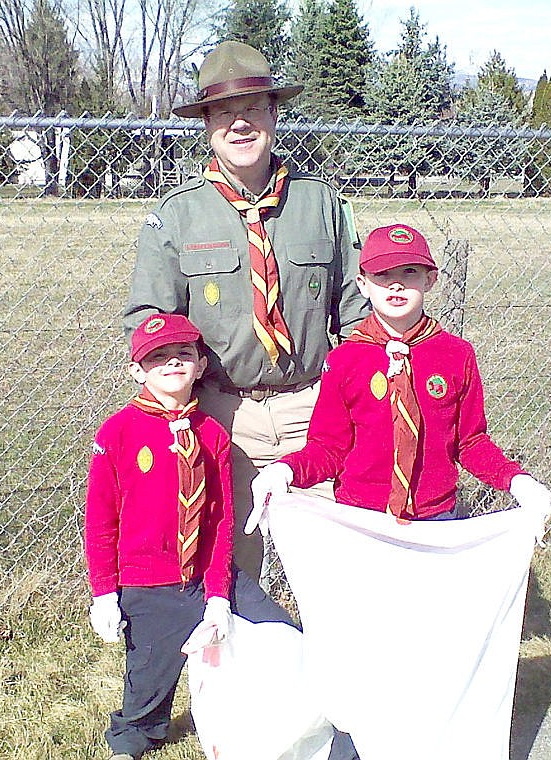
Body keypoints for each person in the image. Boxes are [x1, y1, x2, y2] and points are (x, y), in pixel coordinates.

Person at [123, 40, 370, 580]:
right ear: (207, 125)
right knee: (229, 574)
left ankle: (333, 660)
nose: (240, 124)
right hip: (222, 416)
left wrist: (358, 397)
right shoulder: (178, 216)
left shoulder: (320, 203)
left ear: (274, 113)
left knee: (336, 566)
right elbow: (149, 321)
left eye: (253, 108)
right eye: (224, 113)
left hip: (314, 412)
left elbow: (355, 311)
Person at [84, 314, 297, 760]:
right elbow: (101, 520)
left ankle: (307, 721)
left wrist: (219, 595)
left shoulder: (212, 434)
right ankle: (134, 738)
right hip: (148, 585)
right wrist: (105, 592)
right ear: (137, 370)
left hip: (209, 575)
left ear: (201, 365)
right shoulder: (118, 432)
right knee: (146, 684)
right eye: (158, 357)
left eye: (183, 354)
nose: (172, 363)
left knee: (287, 637)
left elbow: (221, 521)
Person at [247, 223, 551, 531]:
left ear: (430, 280)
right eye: (382, 275)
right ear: (362, 284)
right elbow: (329, 447)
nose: (396, 285)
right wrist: (285, 471)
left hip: (436, 519)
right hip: (361, 519)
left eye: (409, 272)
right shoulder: (344, 361)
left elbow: (470, 441)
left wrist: (516, 480)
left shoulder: (456, 354)